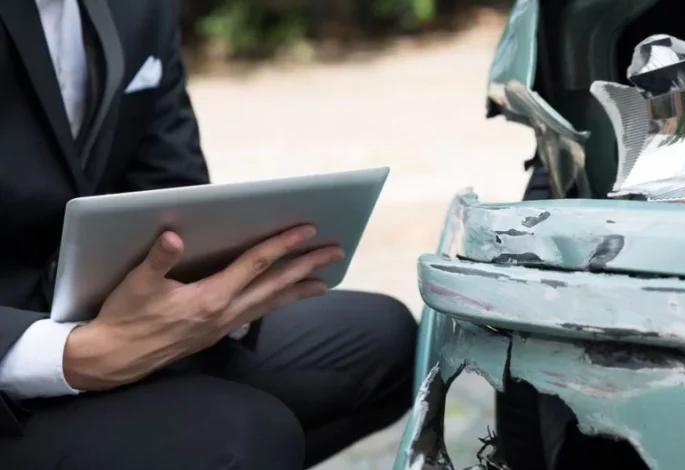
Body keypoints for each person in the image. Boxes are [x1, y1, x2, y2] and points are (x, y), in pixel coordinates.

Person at [0, 0, 418, 468]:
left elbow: (169, 185)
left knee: (385, 341)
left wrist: (211, 295)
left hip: (89, 309)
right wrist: (75, 356)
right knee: (244, 436)